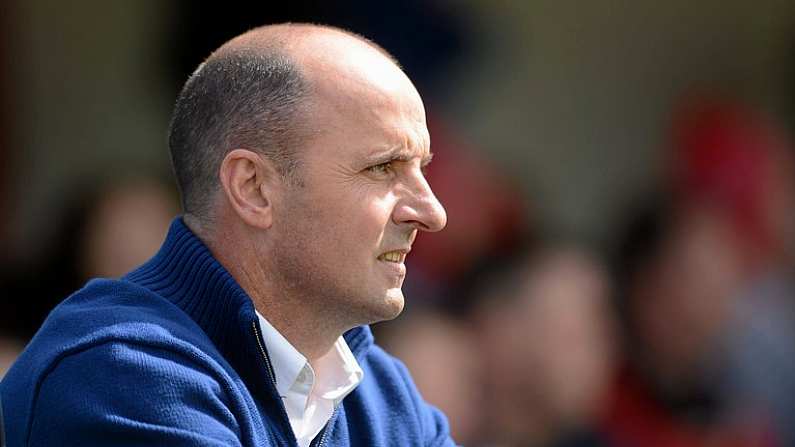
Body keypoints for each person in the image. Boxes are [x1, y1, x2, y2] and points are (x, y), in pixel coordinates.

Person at [0, 23, 453, 446]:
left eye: (421, 169)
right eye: (381, 168)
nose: (430, 212)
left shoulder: (383, 392)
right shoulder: (119, 371)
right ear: (253, 188)